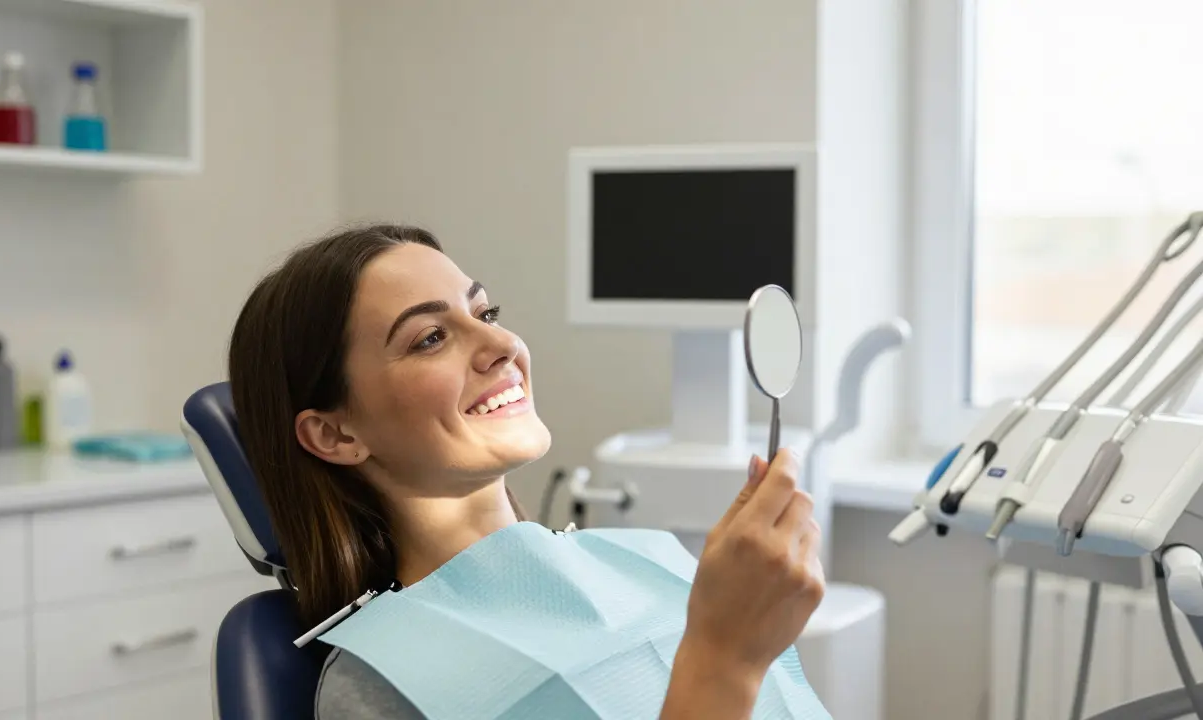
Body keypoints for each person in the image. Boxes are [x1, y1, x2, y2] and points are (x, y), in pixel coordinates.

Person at [228, 224, 828, 719]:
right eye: (431, 337)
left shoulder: (653, 561)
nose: (500, 344)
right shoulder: (383, 684)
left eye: (486, 311)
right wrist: (723, 660)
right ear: (336, 434)